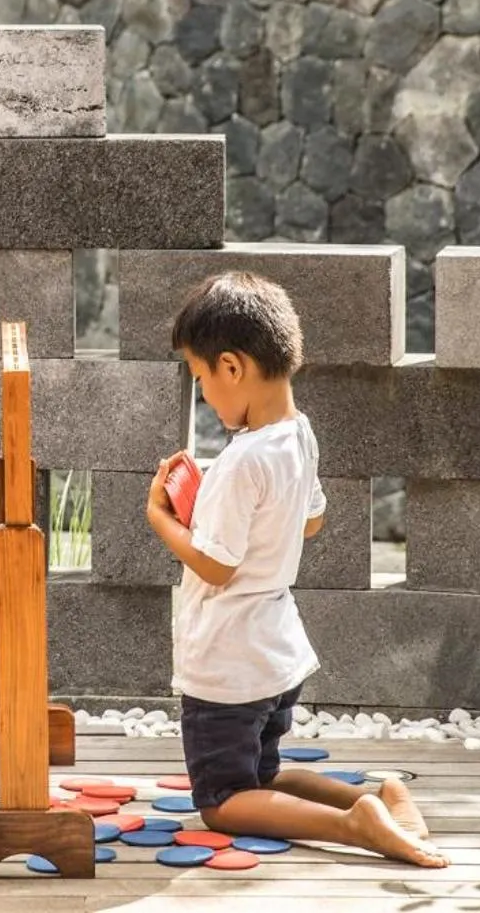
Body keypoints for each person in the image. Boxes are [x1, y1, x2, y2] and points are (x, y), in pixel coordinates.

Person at [148, 271, 448, 868]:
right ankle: (375, 797)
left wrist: (161, 516)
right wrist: (217, 507)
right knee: (263, 774)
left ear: (232, 368)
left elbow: (217, 564)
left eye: (202, 378)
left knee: (224, 799)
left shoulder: (239, 462)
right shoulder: (297, 434)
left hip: (229, 662)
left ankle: (353, 825)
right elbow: (309, 521)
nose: (205, 393)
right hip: (277, 652)